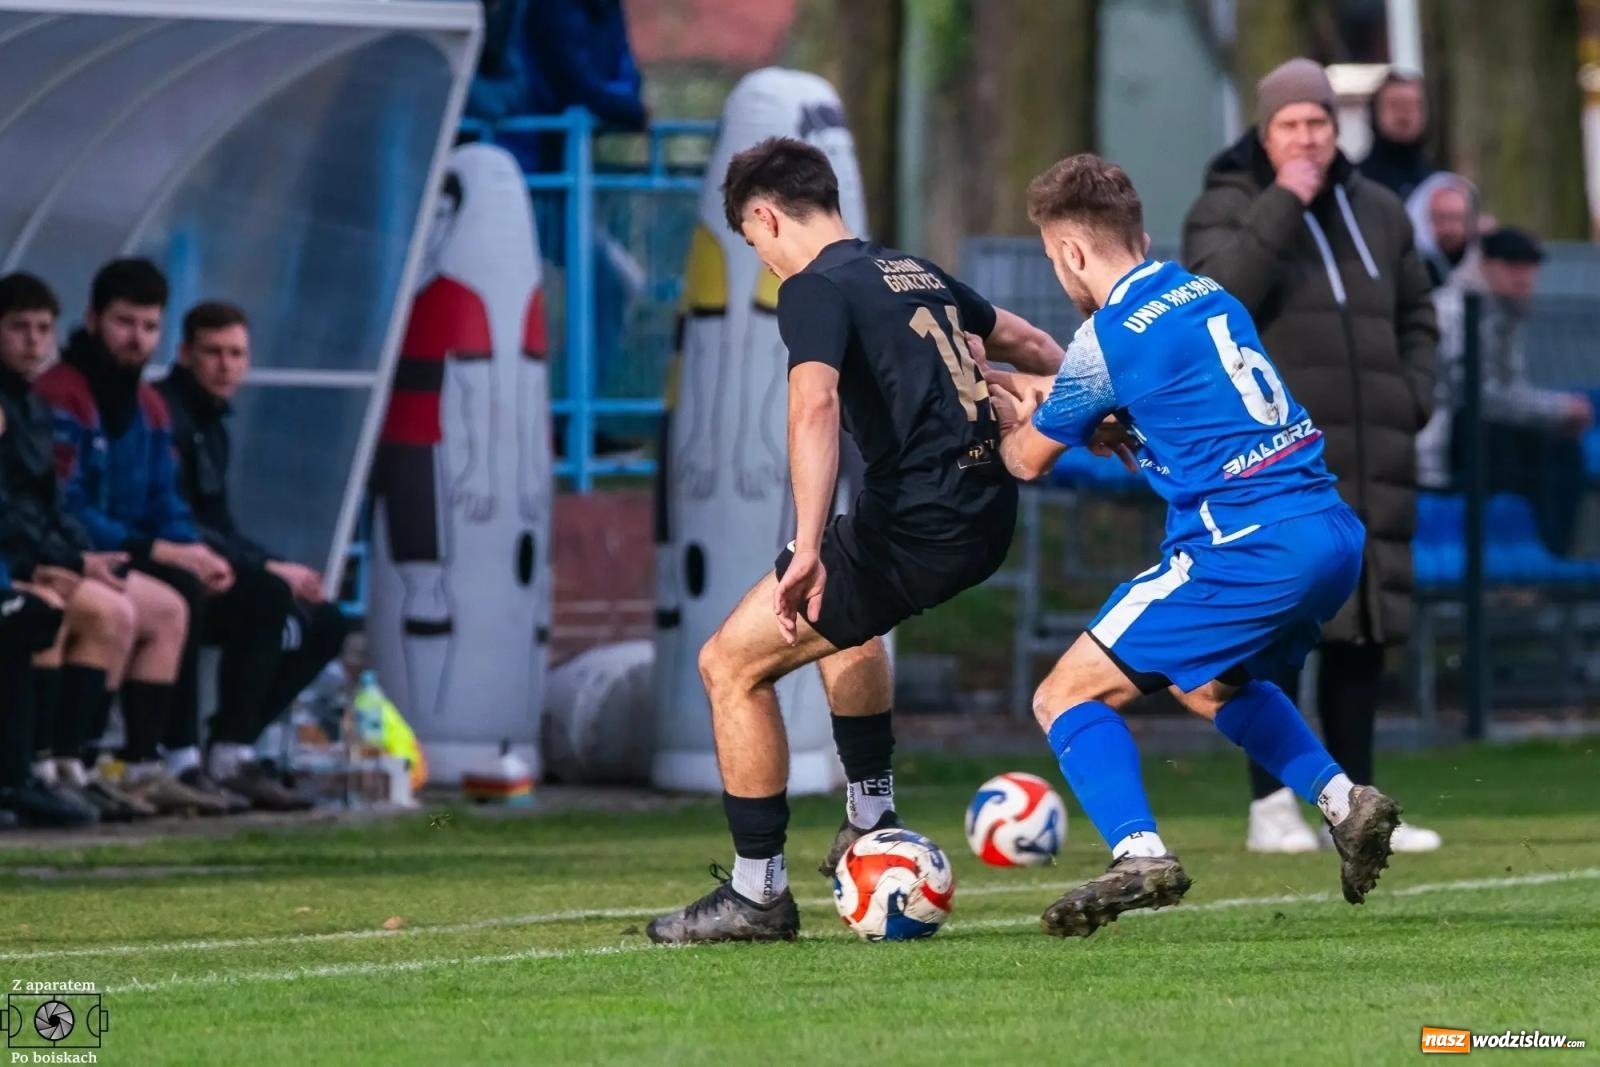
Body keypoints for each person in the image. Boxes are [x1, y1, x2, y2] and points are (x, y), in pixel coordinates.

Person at [645, 137, 1067, 945]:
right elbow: (1035, 346)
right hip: (978, 515)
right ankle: (870, 817)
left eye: (751, 240)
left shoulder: (813, 288)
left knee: (728, 666)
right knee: (848, 624)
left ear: (764, 216)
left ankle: (756, 892)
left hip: (919, 523)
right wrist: (1080, 406)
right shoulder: (913, 270)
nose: (762, 261)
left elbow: (814, 406)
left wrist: (803, 545)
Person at [988, 153, 1401, 936]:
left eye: (1053, 257)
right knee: (1205, 682)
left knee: (1062, 695)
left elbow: (1026, 461)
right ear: (1139, 231)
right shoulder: (1203, 290)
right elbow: (1174, 403)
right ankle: (1345, 802)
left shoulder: (1102, 338)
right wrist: (1103, 422)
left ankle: (1140, 853)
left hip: (1248, 544)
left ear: (1071, 252)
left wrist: (993, 412)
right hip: (1329, 531)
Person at [1182, 58, 1442, 855]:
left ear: (1338, 128)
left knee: (1362, 633)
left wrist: (1412, 397)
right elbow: (1215, 299)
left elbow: (1419, 318)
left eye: (1320, 124)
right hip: (1276, 465)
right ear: (1266, 131)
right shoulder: (1226, 205)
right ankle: (1272, 806)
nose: (1308, 139)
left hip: (1374, 457)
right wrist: (1283, 201)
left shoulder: (1380, 211)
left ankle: (1357, 809)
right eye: (1292, 125)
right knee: (1275, 631)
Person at [35, 259, 245, 816]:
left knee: (181, 596)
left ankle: (143, 765)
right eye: (125, 322)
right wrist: (150, 550)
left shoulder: (148, 404)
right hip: (82, 554)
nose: (137, 339)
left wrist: (194, 549)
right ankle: (77, 760)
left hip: (117, 552)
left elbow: (165, 499)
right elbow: (65, 502)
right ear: (93, 319)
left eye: (150, 326)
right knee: (150, 602)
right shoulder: (62, 394)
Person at [0, 272, 193, 822]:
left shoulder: (33, 403)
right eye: (19, 328)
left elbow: (52, 501)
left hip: (44, 555)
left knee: (155, 605)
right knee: (67, 612)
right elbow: (15, 506)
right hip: (21, 563)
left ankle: (79, 766)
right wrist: (51, 564)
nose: (34, 341)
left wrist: (78, 558)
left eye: (42, 328)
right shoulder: (55, 395)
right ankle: (32, 770)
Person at [158, 301, 349, 809]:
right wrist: (263, 568)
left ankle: (232, 748)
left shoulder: (212, 424)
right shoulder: (166, 414)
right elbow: (175, 516)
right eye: (213, 353)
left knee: (324, 619)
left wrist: (275, 565)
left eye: (236, 354)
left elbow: (219, 525)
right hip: (168, 566)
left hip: (213, 564)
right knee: (263, 595)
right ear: (184, 354)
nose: (225, 365)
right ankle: (193, 757)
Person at [1441, 229, 1592, 555]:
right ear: (1486, 264)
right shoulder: (1457, 308)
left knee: (1563, 446)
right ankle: (1543, 557)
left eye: (1529, 266)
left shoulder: (1505, 310)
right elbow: (1474, 394)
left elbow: (1510, 387)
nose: (1523, 275)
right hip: (1447, 436)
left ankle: (1547, 556)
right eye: (1512, 264)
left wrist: (1557, 414)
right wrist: (1557, 411)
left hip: (1483, 428)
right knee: (1551, 452)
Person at [1357, 69, 1436, 201]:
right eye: (1395, 105)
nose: (1404, 114)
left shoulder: (1437, 183)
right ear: (1375, 112)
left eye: (1412, 106)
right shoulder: (1357, 182)